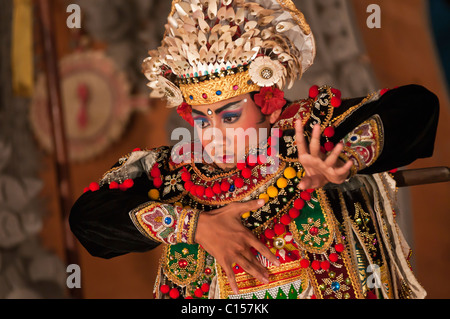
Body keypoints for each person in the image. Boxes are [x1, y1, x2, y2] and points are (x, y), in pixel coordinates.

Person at [69, 0, 439, 299]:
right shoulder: (178, 175)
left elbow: (415, 108)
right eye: (200, 120)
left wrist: (344, 157)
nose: (213, 134)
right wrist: (195, 227)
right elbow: (88, 220)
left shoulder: (309, 130)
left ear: (268, 102)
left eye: (229, 117)